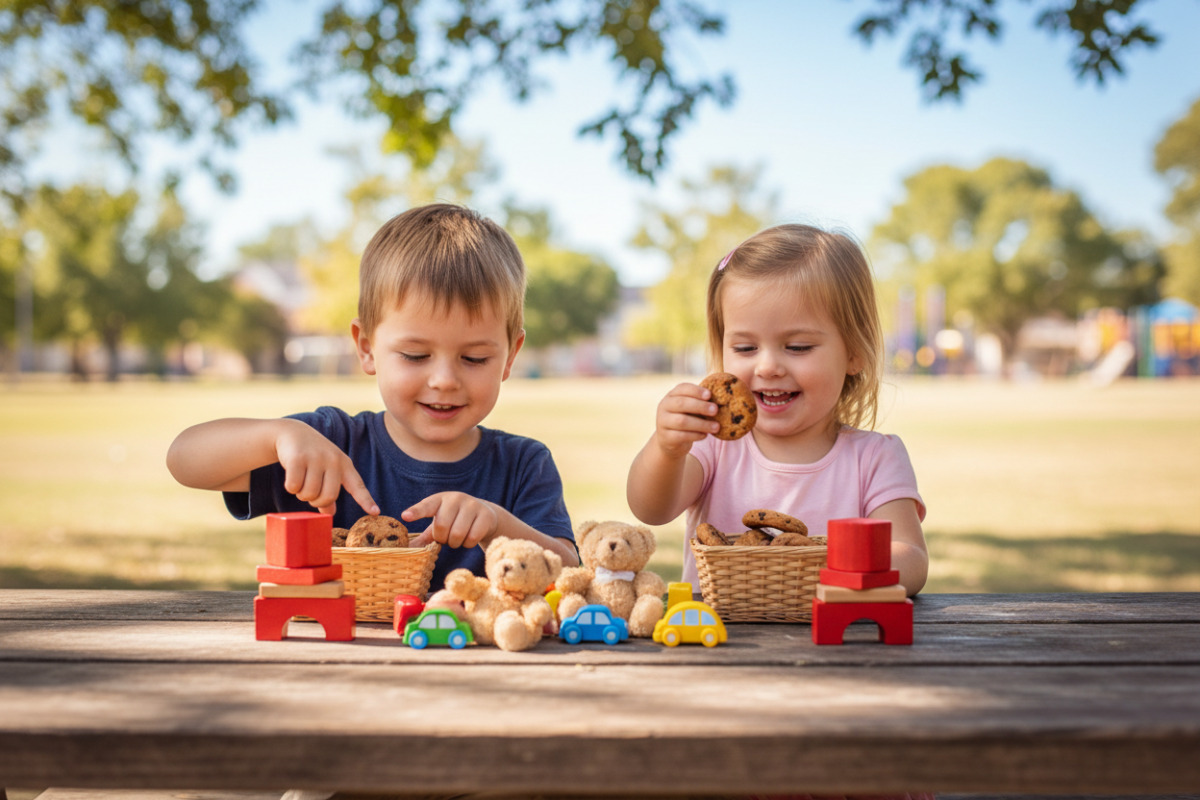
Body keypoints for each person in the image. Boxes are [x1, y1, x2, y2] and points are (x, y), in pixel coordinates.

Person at [167, 203, 579, 590]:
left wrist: (496, 524)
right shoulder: (330, 443)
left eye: (474, 358)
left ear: (510, 357)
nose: (444, 380)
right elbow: (184, 460)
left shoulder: (523, 465)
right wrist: (277, 436)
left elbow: (571, 575)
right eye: (415, 355)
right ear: (366, 347)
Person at [626, 223, 928, 595]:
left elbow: (911, 559)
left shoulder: (875, 458)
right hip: (720, 643)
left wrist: (824, 565)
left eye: (798, 347)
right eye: (745, 349)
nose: (767, 367)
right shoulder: (712, 446)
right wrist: (666, 448)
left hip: (836, 645)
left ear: (854, 351)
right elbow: (650, 510)